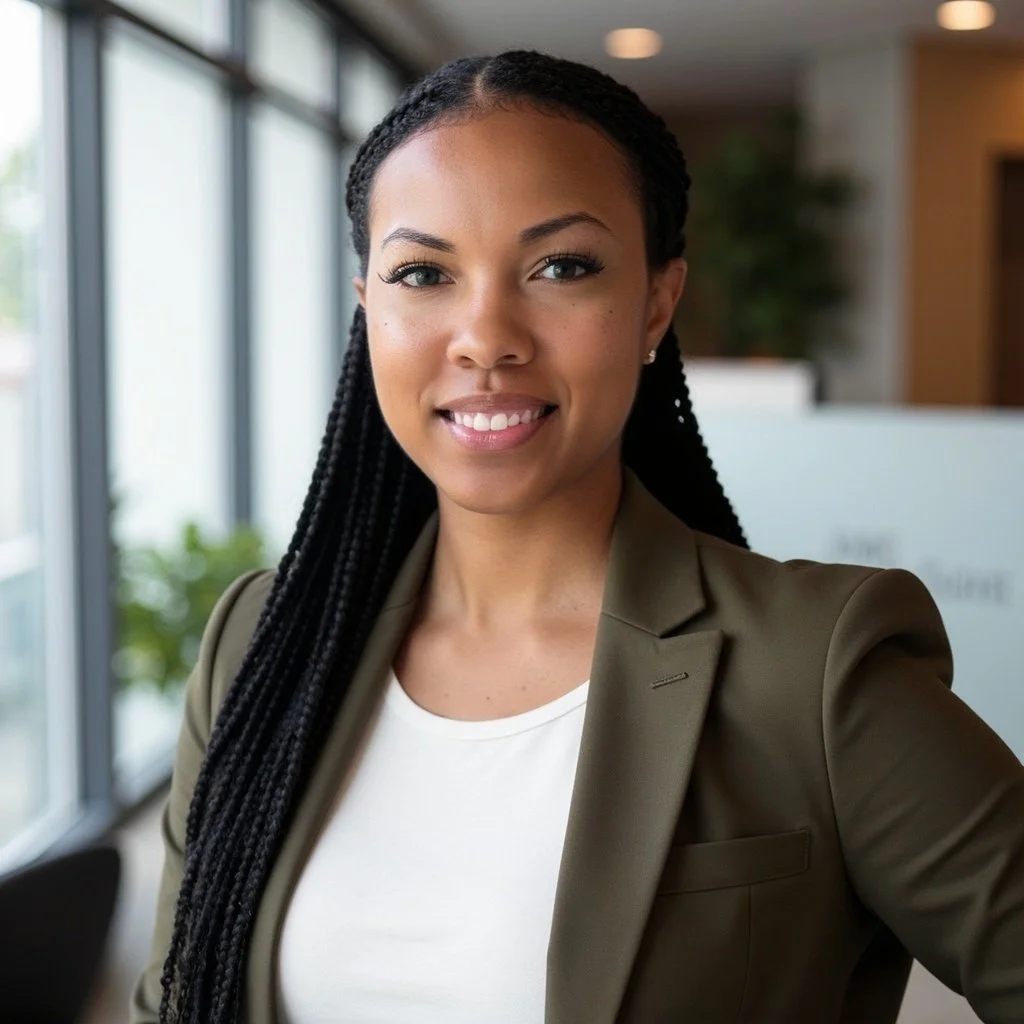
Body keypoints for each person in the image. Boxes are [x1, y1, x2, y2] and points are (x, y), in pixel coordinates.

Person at [130, 50, 1024, 1024]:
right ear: (368, 312)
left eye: (561, 266)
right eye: (423, 273)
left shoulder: (809, 667)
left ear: (655, 301)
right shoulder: (261, 643)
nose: (485, 335)